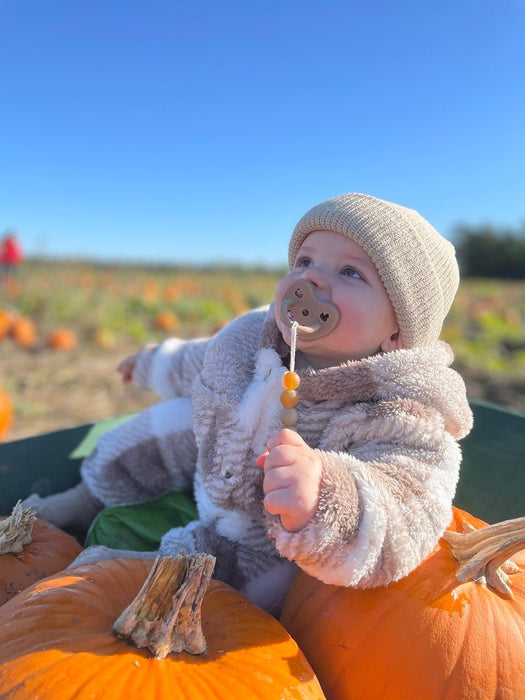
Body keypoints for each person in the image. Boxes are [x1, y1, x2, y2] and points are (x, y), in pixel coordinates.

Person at [23, 193, 473, 615]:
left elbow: (409, 498)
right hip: (215, 469)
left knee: (259, 582)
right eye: (305, 260)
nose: (311, 278)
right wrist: (149, 364)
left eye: (350, 273)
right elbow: (198, 360)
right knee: (168, 422)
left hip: (271, 544)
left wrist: (326, 497)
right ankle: (86, 497)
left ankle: (127, 578)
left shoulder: (399, 406)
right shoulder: (252, 336)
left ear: (397, 332)